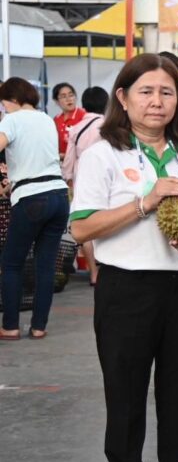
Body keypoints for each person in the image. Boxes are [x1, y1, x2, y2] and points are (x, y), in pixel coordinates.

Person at [68, 54, 178, 462]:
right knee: (125, 400)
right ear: (123, 98)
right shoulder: (102, 154)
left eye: (167, 92)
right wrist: (146, 202)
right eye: (146, 91)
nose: (157, 101)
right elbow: (84, 228)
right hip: (126, 291)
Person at [0, 78, 71, 341]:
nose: (4, 107)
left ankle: (10, 326)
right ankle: (39, 326)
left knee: (11, 263)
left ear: (14, 99)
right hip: (58, 195)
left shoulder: (12, 119)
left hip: (31, 199)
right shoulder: (46, 120)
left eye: (4, 102)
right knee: (45, 266)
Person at [62, 85, 109, 285]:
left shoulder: (76, 129)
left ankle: (93, 273)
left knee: (87, 226)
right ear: (106, 104)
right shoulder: (111, 126)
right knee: (110, 223)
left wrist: (70, 182)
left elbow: (68, 164)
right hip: (109, 180)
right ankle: (110, 268)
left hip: (84, 181)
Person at [52, 82, 87, 158]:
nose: (68, 99)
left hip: (79, 162)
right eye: (63, 96)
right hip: (61, 164)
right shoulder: (56, 119)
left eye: (71, 95)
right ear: (56, 101)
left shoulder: (84, 116)